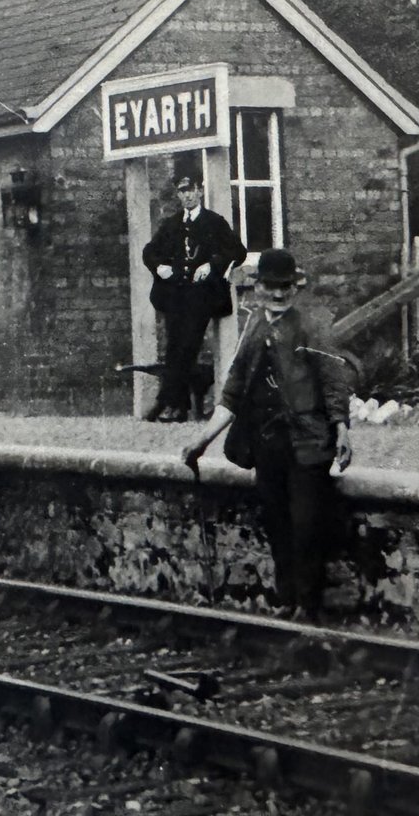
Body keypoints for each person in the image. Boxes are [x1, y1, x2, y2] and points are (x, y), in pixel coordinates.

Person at [181, 248, 353, 619]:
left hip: (306, 443)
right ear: (258, 287)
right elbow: (233, 390)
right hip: (267, 445)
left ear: (296, 286)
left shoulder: (310, 326)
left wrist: (340, 428)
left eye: (286, 287)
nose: (278, 294)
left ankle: (309, 607)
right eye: (272, 287)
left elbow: (332, 380)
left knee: (307, 525)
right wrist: (202, 441)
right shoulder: (254, 327)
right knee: (277, 524)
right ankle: (288, 601)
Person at [140, 172, 246, 422]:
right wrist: (160, 267)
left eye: (191, 190)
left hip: (202, 297)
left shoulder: (214, 222)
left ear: (200, 191)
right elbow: (149, 252)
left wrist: (212, 265)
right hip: (176, 295)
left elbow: (237, 251)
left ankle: (167, 403)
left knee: (188, 346)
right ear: (178, 194)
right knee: (174, 346)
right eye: (181, 191)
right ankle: (177, 405)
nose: (186, 195)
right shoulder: (172, 224)